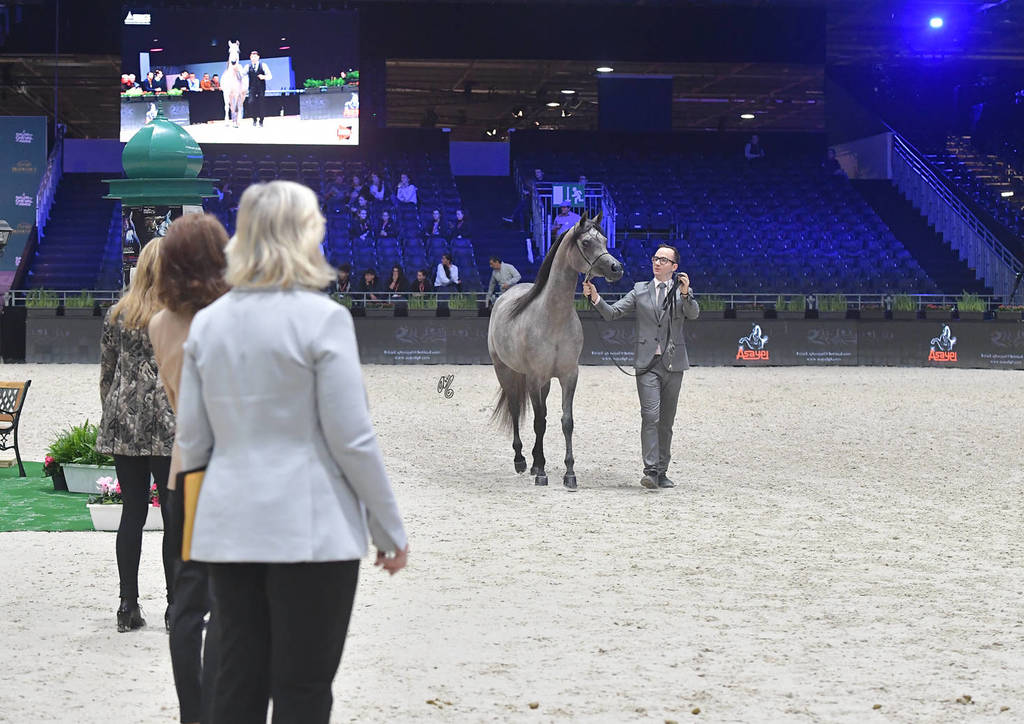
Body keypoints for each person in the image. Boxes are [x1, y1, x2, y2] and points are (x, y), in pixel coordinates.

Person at [174, 181, 408, 723]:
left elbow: (193, 442)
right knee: (303, 689)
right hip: (312, 530)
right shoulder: (323, 319)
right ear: (306, 237)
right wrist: (389, 530)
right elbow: (351, 439)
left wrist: (196, 534)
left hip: (229, 530)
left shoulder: (208, 324)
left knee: (237, 684)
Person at [150, 213, 230, 724]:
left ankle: (192, 713)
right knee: (233, 601)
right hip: (232, 469)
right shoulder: (230, 319)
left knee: (188, 600)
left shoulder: (160, 324)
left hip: (186, 472)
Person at [96, 238, 175, 633]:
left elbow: (106, 376)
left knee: (133, 512)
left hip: (124, 422)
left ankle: (127, 605)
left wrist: (114, 412)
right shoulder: (179, 314)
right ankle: (175, 606)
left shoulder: (116, 314)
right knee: (173, 517)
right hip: (167, 425)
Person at [581, 244, 699, 490]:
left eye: (663, 260)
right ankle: (651, 470)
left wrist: (687, 294)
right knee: (650, 415)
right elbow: (613, 313)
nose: (657, 263)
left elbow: (693, 314)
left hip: (673, 362)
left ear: (674, 267)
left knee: (666, 422)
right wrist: (595, 297)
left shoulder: (680, 292)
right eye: (655, 258)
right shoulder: (639, 290)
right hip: (647, 364)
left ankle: (663, 470)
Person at [247, 50, 272, 127]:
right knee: (251, 102)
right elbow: (242, 74)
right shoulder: (248, 66)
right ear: (250, 58)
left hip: (261, 87)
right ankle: (254, 119)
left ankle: (261, 121)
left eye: (255, 57)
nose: (253, 58)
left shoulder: (263, 65)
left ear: (258, 57)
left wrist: (263, 77)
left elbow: (270, 76)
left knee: (261, 103)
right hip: (252, 87)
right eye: (252, 57)